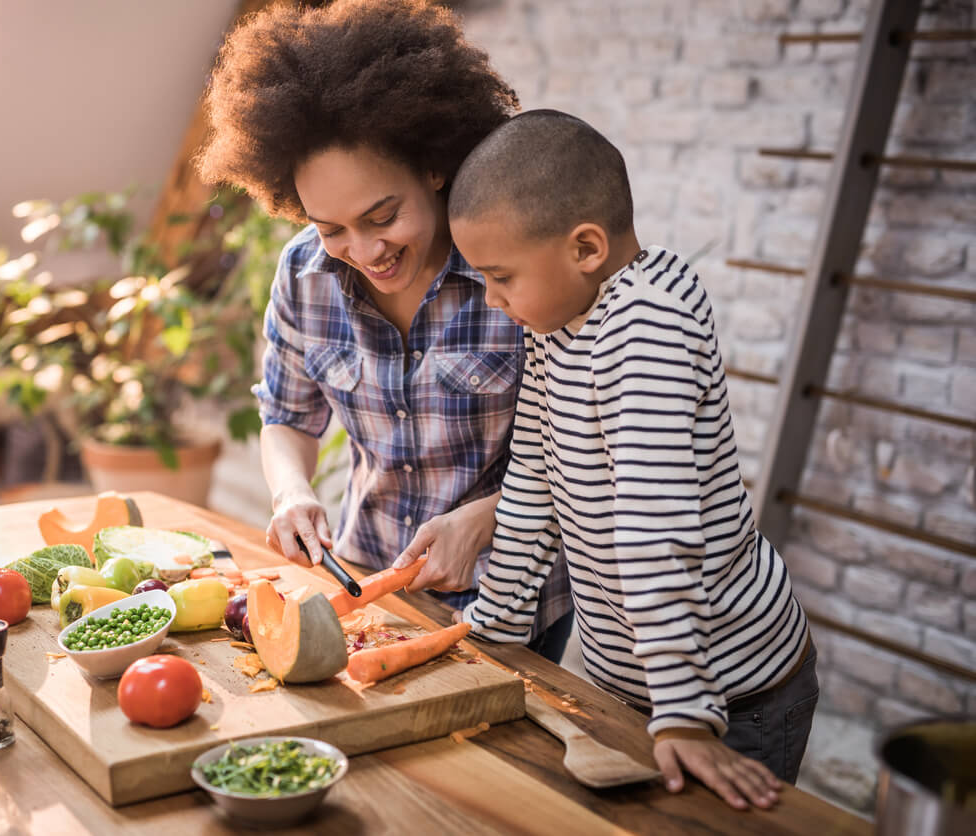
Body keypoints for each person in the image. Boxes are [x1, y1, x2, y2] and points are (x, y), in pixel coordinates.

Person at [447, 109, 818, 810]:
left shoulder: (648, 326)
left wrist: (684, 710)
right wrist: (493, 626)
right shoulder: (558, 320)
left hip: (732, 692)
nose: (495, 302)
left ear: (585, 248)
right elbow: (532, 477)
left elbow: (656, 529)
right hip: (643, 685)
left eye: (501, 278)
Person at [195, 0, 572, 658]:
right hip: (368, 576)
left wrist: (489, 520)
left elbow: (583, 453)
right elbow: (286, 415)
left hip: (507, 598)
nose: (365, 250)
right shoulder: (304, 276)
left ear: (431, 167)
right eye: (330, 226)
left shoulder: (510, 272)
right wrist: (291, 493)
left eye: (382, 215)